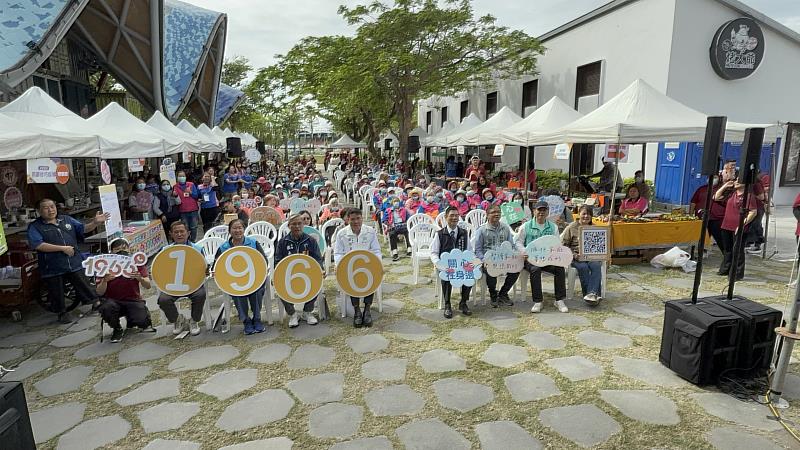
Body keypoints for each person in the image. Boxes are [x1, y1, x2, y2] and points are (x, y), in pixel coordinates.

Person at [28, 199, 109, 323]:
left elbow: (83, 229)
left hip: (73, 260)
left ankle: (95, 302)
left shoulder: (66, 219)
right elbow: (37, 244)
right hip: (52, 265)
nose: (50, 210)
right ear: (39, 211)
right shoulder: (35, 226)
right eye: (46, 208)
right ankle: (61, 312)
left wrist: (95, 222)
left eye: (52, 206)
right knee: (56, 289)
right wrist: (62, 248)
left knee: (82, 282)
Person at [515, 200, 569, 313]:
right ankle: (538, 301)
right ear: (534, 211)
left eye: (544, 210)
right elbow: (518, 242)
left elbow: (557, 243)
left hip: (548, 259)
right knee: (535, 269)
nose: (541, 212)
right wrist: (524, 251)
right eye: (539, 210)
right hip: (531, 259)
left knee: (559, 268)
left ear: (548, 212)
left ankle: (559, 300)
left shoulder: (553, 227)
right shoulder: (526, 226)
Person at [214, 219, 267, 334]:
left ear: (244, 229)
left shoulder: (253, 243)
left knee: (256, 291)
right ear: (229, 231)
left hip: (254, 278)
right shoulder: (223, 248)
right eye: (234, 228)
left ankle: (257, 319)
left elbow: (264, 261)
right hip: (234, 281)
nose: (237, 230)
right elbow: (216, 267)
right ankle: (246, 321)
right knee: (238, 294)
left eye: (240, 228)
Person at [96, 238, 153, 343]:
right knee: (107, 308)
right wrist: (105, 281)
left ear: (129, 249)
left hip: (133, 299)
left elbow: (148, 285)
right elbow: (99, 292)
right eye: (117, 249)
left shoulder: (136, 263)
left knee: (142, 321)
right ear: (111, 252)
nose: (121, 251)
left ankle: (133, 318)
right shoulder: (104, 266)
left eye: (124, 248)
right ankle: (116, 328)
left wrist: (139, 278)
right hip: (112, 301)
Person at [334, 209, 382, 328]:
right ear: (348, 219)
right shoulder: (342, 234)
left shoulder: (370, 232)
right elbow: (338, 253)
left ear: (362, 218)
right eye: (352, 219)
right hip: (349, 267)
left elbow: (376, 250)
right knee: (351, 279)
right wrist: (339, 264)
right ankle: (357, 310)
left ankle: (367, 309)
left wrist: (378, 263)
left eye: (358, 218)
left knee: (372, 277)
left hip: (367, 266)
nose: (356, 221)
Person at [156, 221, 207, 336]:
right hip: (172, 285)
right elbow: (160, 269)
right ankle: (178, 319)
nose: (179, 234)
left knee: (200, 295)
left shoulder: (197, 249)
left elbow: (203, 268)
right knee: (163, 299)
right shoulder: (165, 251)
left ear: (188, 233)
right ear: (171, 234)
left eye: (182, 231)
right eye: (176, 232)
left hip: (193, 284)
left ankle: (194, 320)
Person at [275, 213, 323, 328]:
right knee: (279, 287)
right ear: (288, 226)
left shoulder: (311, 240)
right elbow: (277, 261)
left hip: (308, 274)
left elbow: (317, 259)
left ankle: (307, 312)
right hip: (288, 276)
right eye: (294, 224)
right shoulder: (282, 242)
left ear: (303, 225)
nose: (297, 226)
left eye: (299, 223)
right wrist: (277, 274)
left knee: (318, 282)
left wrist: (321, 270)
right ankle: (292, 314)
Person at [430, 207, 473, 318]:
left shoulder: (464, 233)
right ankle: (447, 304)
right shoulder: (440, 234)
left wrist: (468, 263)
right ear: (446, 218)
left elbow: (469, 250)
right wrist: (438, 263)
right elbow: (434, 252)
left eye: (456, 215)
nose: (454, 218)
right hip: (446, 265)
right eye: (451, 215)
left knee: (470, 274)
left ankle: (463, 302)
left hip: (461, 264)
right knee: (447, 275)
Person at [473, 205, 518, 307]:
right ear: (487, 215)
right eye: (493, 212)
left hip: (504, 259)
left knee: (517, 268)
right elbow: (478, 250)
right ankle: (493, 293)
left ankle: (503, 293)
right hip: (488, 260)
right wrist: (484, 260)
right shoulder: (482, 230)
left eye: (498, 212)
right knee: (490, 269)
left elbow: (512, 245)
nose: (496, 214)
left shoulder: (505, 228)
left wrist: (515, 255)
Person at [714, 179, 757, 280]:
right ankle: (726, 269)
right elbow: (716, 197)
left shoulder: (748, 196)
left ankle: (737, 273)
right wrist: (725, 186)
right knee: (727, 249)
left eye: (739, 180)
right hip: (726, 225)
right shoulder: (731, 194)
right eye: (736, 180)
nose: (736, 182)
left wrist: (742, 224)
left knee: (737, 250)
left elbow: (753, 212)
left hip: (739, 227)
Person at [561, 205, 603, 305]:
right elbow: (564, 246)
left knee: (596, 265)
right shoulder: (571, 227)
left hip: (591, 256)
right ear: (579, 215)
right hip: (576, 257)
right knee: (583, 267)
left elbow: (600, 245)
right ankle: (592, 294)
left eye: (588, 214)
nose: (586, 216)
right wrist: (575, 255)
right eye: (584, 214)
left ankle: (591, 294)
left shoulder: (595, 228)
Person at [174, 170, 200, 241]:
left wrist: (190, 192)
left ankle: (193, 240)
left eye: (183, 176)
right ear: (177, 177)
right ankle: (186, 241)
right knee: (185, 227)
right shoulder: (175, 187)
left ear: (185, 177)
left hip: (193, 209)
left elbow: (196, 196)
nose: (181, 177)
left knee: (194, 227)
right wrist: (175, 196)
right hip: (183, 210)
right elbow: (176, 201)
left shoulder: (191, 184)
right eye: (180, 176)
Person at [383, 196, 411, 261]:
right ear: (392, 203)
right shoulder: (388, 210)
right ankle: (395, 252)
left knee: (408, 232)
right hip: (393, 226)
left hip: (403, 225)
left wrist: (407, 223)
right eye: (395, 202)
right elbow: (384, 220)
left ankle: (409, 250)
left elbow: (409, 218)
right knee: (392, 234)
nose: (396, 203)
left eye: (397, 202)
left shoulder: (404, 210)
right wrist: (388, 224)